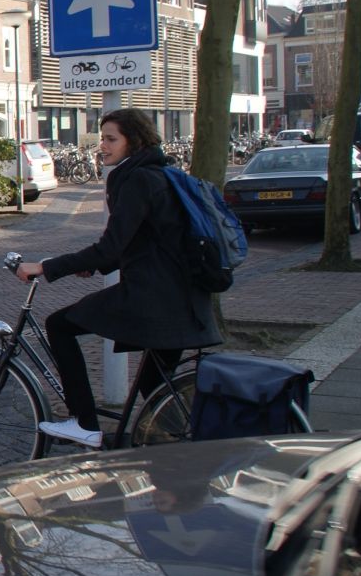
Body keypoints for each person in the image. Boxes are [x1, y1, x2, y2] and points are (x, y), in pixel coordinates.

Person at [15, 108, 221, 448]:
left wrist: (46, 267)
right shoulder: (162, 173)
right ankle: (175, 463)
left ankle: (85, 424)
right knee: (154, 391)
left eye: (111, 139)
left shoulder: (137, 180)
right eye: (102, 139)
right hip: (184, 300)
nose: (103, 147)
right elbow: (145, 242)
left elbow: (111, 248)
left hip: (153, 299)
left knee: (59, 325)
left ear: (134, 141)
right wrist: (93, 265)